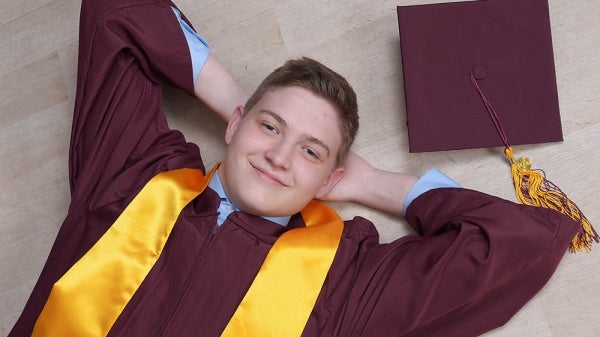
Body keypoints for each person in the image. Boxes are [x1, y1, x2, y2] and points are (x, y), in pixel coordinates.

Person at [9, 0, 578, 336]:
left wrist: (376, 183)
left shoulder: (343, 284)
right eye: (270, 126)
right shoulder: (133, 177)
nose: (281, 156)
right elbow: (115, 12)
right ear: (236, 125)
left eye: (311, 151)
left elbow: (518, 241)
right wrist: (237, 99)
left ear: (330, 181)